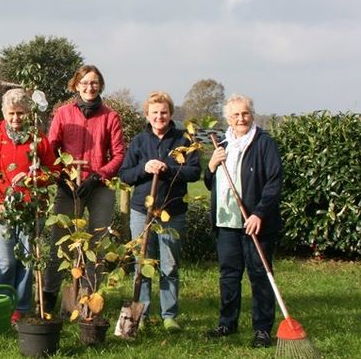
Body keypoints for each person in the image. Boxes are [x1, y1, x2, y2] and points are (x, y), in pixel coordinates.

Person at [204, 94, 283, 348]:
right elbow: (209, 183)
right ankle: (227, 323)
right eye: (236, 114)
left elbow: (274, 182)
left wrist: (259, 213)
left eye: (245, 113)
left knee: (259, 275)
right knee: (228, 275)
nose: (241, 118)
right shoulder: (222, 144)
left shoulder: (264, 143)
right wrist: (212, 166)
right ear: (228, 118)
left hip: (255, 222)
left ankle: (262, 329)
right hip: (226, 220)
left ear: (252, 115)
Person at [43, 64, 125, 310]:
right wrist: (61, 178)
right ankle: (48, 297)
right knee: (60, 242)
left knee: (96, 242)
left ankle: (89, 299)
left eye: (94, 83)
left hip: (98, 187)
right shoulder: (63, 114)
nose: (90, 87)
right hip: (69, 186)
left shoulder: (110, 116)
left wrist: (97, 177)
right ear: (76, 85)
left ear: (100, 85)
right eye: (85, 83)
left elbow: (119, 154)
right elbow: (51, 149)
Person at [119, 91, 200, 331]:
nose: (159, 116)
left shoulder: (183, 140)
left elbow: (195, 172)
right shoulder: (139, 141)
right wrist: (144, 167)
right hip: (141, 212)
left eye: (163, 112)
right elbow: (125, 174)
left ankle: (169, 315)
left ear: (171, 114)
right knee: (142, 262)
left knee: (170, 264)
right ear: (147, 114)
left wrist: (168, 168)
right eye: (154, 112)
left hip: (171, 211)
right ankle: (141, 313)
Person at [0, 88, 56, 322]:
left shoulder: (37, 138)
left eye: (20, 113)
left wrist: (35, 179)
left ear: (28, 112)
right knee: (6, 261)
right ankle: (1, 308)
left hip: (30, 209)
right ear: (4, 112)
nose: (16, 118)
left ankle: (20, 311)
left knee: (27, 262)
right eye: (11, 113)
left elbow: (53, 170)